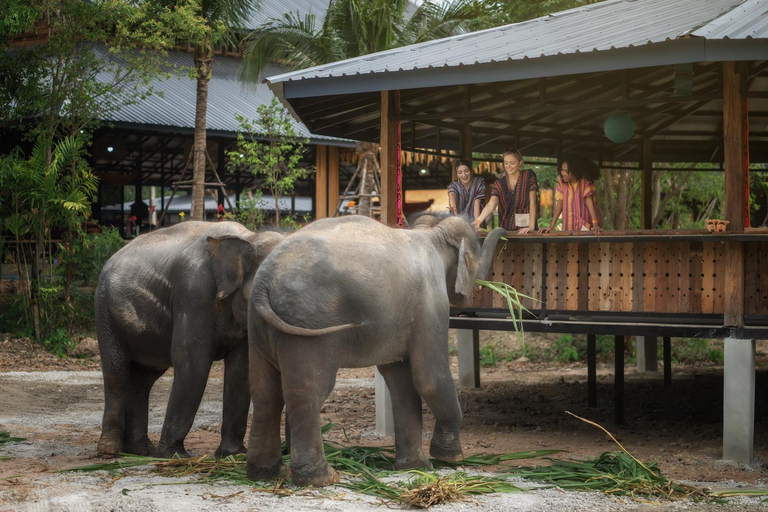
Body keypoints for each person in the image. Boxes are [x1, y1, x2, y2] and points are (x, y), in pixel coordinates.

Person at [472, 148, 538, 234]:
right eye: (506, 163)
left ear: (520, 163)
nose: (508, 166)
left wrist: (531, 227)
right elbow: (491, 205)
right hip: (506, 231)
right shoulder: (498, 184)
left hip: (527, 231)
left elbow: (533, 202)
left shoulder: (528, 175)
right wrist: (478, 220)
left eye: (512, 163)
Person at [539, 154, 603, 234]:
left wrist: (595, 224)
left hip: (586, 227)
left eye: (567, 171)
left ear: (575, 171)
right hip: (569, 228)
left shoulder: (586, 182)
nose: (563, 173)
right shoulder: (562, 183)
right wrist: (551, 226)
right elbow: (560, 204)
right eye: (562, 170)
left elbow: (589, 202)